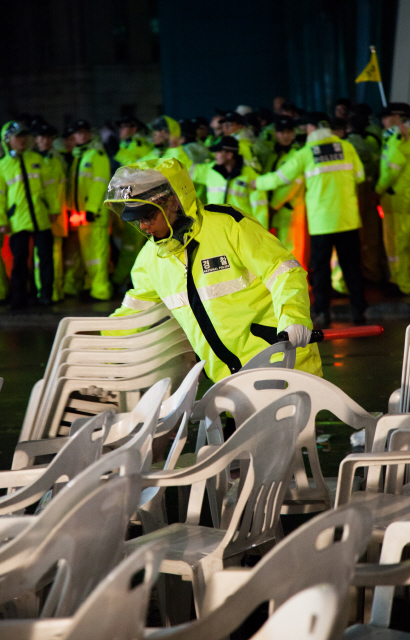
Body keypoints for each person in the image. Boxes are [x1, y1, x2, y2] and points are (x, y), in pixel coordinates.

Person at [104, 157, 322, 384]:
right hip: (229, 383)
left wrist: (294, 319)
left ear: (172, 203)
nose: (143, 226)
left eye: (148, 216)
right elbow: (133, 313)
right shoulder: (150, 259)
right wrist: (101, 348)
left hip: (281, 360)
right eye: (136, 219)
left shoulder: (228, 225)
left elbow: (283, 271)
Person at [253, 112, 367, 328]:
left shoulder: (306, 153)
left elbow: (281, 178)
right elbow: (360, 176)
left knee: (321, 268)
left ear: (312, 129)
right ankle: (359, 311)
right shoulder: (346, 147)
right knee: (352, 266)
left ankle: (323, 313)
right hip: (348, 219)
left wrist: (255, 183)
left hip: (321, 222)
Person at [0, 121, 60, 310]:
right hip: (17, 221)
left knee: (46, 260)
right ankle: (20, 297)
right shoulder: (3, 166)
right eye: (18, 137)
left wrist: (53, 209)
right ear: (7, 140)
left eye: (24, 136)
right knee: (19, 262)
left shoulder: (36, 159)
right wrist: (2, 220)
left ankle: (46, 295)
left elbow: (49, 187)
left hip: (41, 218)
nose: (22, 140)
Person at [65, 119, 112, 301]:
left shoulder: (96, 155)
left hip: (94, 215)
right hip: (81, 215)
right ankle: (90, 286)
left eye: (85, 132)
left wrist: (92, 209)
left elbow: (99, 184)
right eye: (78, 133)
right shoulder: (80, 156)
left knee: (97, 255)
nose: (82, 136)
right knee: (89, 256)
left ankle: (100, 290)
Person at [190, 136, 269, 227]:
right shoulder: (210, 170)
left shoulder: (250, 176)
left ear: (229, 155)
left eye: (219, 152)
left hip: (241, 230)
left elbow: (260, 208)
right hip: (215, 227)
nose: (215, 154)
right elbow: (183, 168)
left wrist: (260, 234)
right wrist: (175, 147)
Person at [263, 116, 308, 270]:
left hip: (289, 210)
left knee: (292, 250)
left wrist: (273, 206)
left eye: (289, 132)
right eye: (281, 132)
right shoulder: (274, 155)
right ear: (275, 134)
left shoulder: (296, 155)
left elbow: (293, 184)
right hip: (275, 211)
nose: (285, 135)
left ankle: (298, 286)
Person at [376, 110, 410, 295]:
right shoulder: (399, 136)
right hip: (403, 199)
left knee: (397, 245)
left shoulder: (398, 138)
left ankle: (400, 283)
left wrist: (378, 190)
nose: (384, 120)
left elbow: (393, 170)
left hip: (397, 200)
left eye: (388, 116)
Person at [32, 122, 68, 302]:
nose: (44, 141)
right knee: (43, 256)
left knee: (54, 255)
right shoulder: (34, 159)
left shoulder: (55, 159)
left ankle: (54, 292)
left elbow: (59, 189)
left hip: (55, 214)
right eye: (41, 137)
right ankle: (44, 292)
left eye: (48, 137)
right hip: (39, 215)